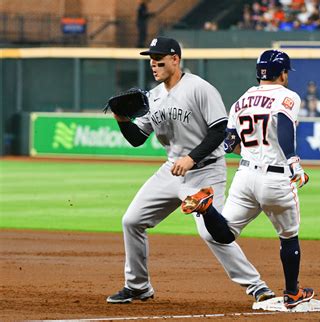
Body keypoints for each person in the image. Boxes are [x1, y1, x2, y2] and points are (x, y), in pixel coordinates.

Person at [107, 36, 274, 304]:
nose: (153, 63)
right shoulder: (154, 97)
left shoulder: (200, 88)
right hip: (171, 170)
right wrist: (122, 120)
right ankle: (138, 287)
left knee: (210, 232)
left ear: (175, 59)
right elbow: (138, 138)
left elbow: (219, 130)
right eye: (150, 59)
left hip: (205, 171)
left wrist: (192, 159)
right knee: (132, 221)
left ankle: (257, 287)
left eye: (158, 58)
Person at [181, 49, 315, 309]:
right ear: (283, 73)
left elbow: (229, 142)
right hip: (275, 178)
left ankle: (207, 209)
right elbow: (285, 126)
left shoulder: (241, 100)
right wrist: (293, 161)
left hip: (245, 175)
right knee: (289, 236)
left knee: (226, 234)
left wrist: (253, 154)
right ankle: (292, 293)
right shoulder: (288, 96)